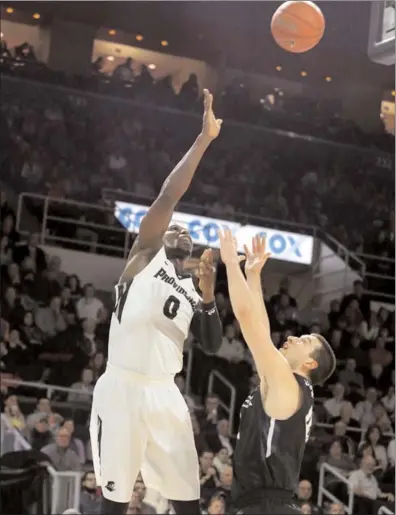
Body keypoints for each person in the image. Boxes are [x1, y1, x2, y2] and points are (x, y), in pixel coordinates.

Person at [89, 89, 223, 515]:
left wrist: (207, 296)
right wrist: (202, 141)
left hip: (165, 393)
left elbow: (212, 345)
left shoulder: (189, 288)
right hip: (123, 385)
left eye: (186, 232)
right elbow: (169, 194)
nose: (180, 231)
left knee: (187, 500)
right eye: (175, 228)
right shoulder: (144, 256)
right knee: (115, 498)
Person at [218, 231, 336, 515]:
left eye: (304, 341)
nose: (294, 339)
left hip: (267, 506)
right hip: (267, 504)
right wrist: (254, 275)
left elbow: (248, 321)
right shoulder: (286, 385)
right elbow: (260, 328)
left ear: (310, 364)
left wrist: (231, 266)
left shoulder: (288, 384)